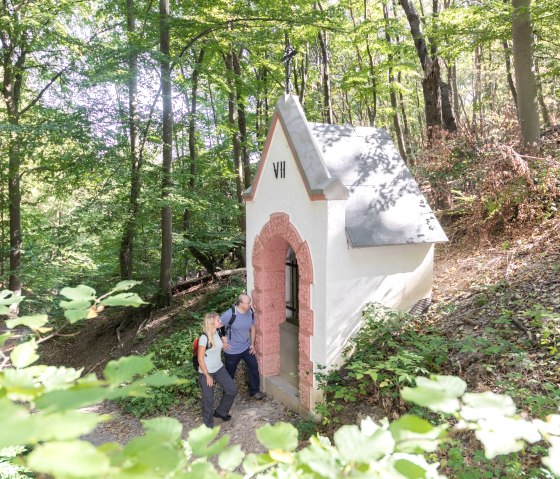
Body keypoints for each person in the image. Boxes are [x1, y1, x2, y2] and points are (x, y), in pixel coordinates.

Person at [220, 294, 265, 400]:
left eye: (250, 302)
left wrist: (252, 344)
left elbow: (252, 328)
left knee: (253, 366)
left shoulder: (250, 312)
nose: (250, 304)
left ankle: (254, 391)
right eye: (248, 302)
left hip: (246, 347)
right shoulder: (230, 314)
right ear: (240, 304)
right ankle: (227, 394)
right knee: (230, 372)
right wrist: (223, 340)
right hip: (232, 350)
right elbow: (217, 326)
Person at [197, 312, 237, 427]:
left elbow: (217, 346)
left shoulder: (218, 332)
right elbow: (200, 359)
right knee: (208, 399)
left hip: (219, 368)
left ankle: (221, 412)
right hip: (206, 372)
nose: (221, 322)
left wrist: (223, 344)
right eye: (218, 320)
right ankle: (208, 425)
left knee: (232, 390)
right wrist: (207, 376)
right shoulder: (204, 338)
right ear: (212, 323)